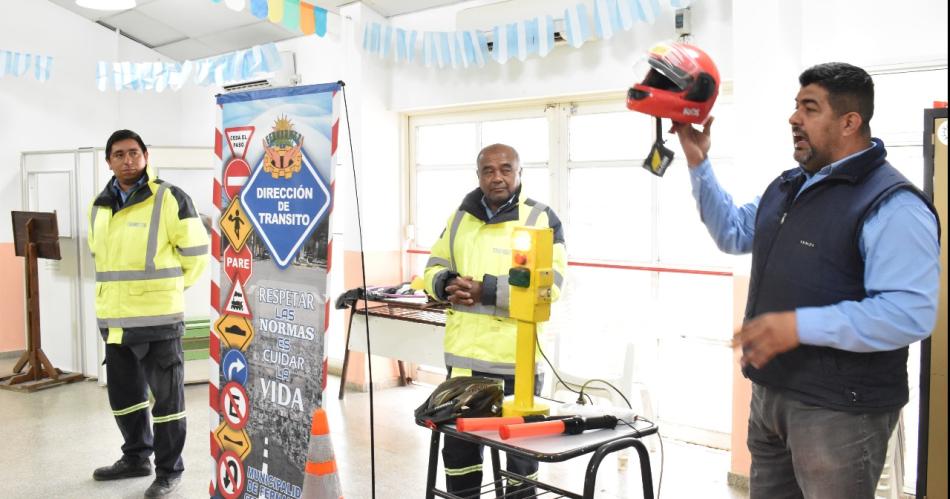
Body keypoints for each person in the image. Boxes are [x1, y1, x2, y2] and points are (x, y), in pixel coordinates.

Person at [673, 63, 940, 498]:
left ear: (849, 122)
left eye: (809, 108)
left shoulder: (894, 205)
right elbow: (733, 233)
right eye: (796, 107)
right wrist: (698, 161)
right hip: (771, 395)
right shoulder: (789, 187)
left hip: (841, 411)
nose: (793, 118)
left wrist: (798, 326)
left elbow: (908, 314)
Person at [424, 143, 567, 497]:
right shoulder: (460, 217)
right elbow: (432, 267)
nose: (497, 177)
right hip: (463, 366)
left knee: (519, 460)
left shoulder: (539, 219)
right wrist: (444, 283)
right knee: (460, 455)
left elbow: (550, 287)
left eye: (506, 169)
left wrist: (484, 290)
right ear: (478, 175)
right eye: (488, 170)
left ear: (519, 174)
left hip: (514, 366)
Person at [88, 129, 209, 498]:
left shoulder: (171, 198)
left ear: (146, 155)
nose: (128, 160)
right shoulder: (99, 204)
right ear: (108, 160)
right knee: (125, 397)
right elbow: (103, 260)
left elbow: (197, 257)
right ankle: (136, 457)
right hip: (115, 322)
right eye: (119, 154)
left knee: (167, 402)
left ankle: (169, 470)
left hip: (159, 321)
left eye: (134, 153)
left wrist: (166, 292)